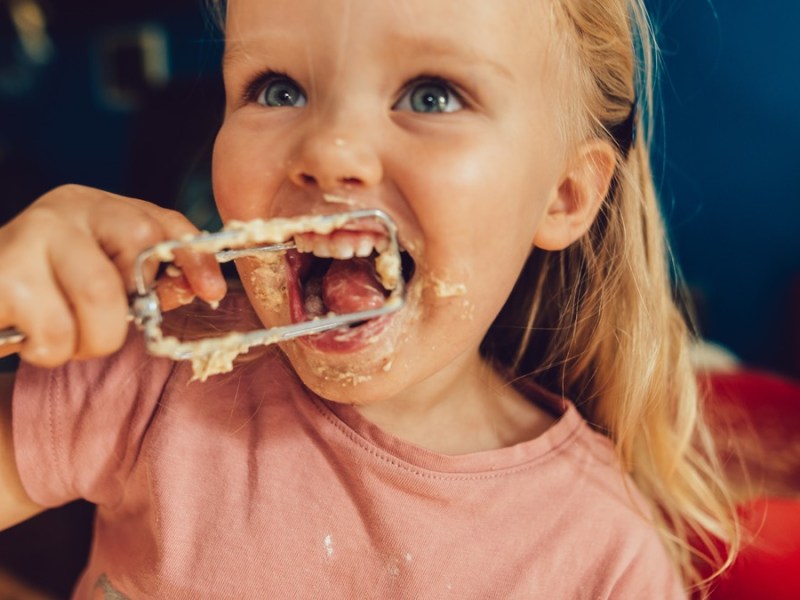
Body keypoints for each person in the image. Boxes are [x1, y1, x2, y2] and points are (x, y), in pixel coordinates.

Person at [0, 0, 740, 597]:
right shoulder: (147, 373)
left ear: (565, 194)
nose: (330, 151)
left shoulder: (597, 557)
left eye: (432, 94)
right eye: (277, 88)